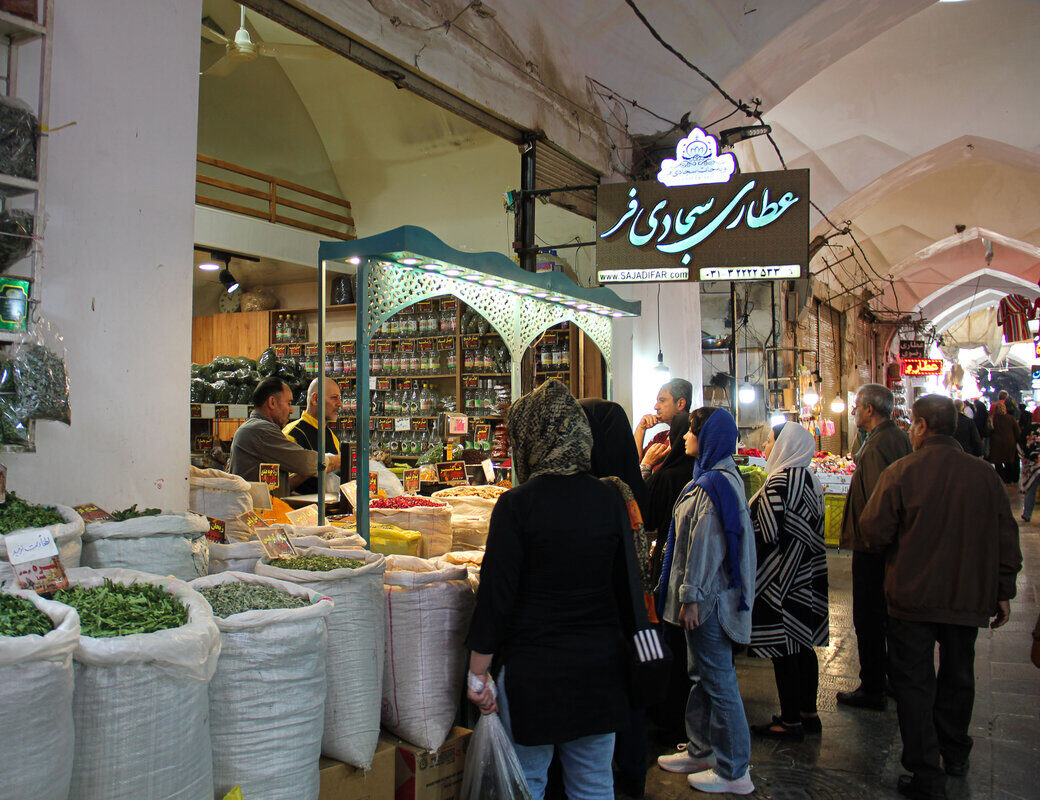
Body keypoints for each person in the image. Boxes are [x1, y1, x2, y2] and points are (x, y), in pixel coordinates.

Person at [465, 380, 647, 800]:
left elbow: (496, 598)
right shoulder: (611, 498)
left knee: (527, 782)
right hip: (602, 671)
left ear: (529, 436)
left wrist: (478, 673)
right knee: (595, 783)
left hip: (534, 674)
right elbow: (628, 590)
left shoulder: (516, 505)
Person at [860, 395, 1021, 800]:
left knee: (914, 683)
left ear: (921, 426)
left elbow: (873, 532)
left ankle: (925, 771)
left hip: (912, 596)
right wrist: (1003, 591)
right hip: (967, 597)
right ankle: (955, 752)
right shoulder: (984, 476)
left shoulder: (902, 472)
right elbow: (1007, 537)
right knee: (958, 675)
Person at [656, 407, 756, 796]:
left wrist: (691, 597)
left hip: (710, 601)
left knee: (719, 682)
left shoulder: (714, 484)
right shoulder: (713, 477)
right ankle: (702, 750)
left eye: (692, 432)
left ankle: (735, 770)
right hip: (708, 598)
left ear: (708, 437)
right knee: (702, 678)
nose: (684, 437)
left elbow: (705, 546)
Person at [581, 398, 653, 800]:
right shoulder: (630, 484)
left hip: (607, 616)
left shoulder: (601, 492)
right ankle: (632, 774)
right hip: (635, 614)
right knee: (631, 697)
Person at [747, 422, 828, 740]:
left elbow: (764, 534)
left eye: (769, 441)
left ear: (784, 446)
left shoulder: (779, 483)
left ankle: (790, 720)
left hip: (781, 579)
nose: (766, 447)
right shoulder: (809, 478)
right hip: (806, 575)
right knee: (803, 645)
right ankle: (809, 712)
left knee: (784, 649)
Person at [837, 383, 912, 710]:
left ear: (870, 409)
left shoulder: (883, 443)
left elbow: (880, 502)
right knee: (882, 617)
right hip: (882, 545)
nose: (853, 411)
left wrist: (872, 539)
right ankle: (890, 680)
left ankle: (873, 688)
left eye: (857, 406)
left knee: (869, 618)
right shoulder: (888, 438)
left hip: (874, 548)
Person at [228, 377, 341, 498]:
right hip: (259, 511)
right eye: (289, 403)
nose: (291, 410)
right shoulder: (260, 431)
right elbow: (306, 463)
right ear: (272, 402)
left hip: (267, 510)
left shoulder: (256, 428)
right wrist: (340, 460)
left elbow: (284, 480)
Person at [283, 377, 343, 494]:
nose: (339, 404)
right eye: (334, 398)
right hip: (300, 510)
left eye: (340, 398)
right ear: (315, 399)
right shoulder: (292, 435)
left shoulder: (331, 435)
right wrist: (316, 466)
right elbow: (282, 485)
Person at [634, 378, 693, 466]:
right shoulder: (660, 437)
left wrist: (647, 465)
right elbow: (632, 466)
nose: (656, 407)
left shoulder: (692, 440)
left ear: (680, 403)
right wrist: (641, 429)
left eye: (662, 401)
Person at [988, 401, 1020, 484]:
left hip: (996, 443)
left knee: (998, 462)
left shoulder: (992, 418)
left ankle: (1000, 478)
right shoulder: (1011, 418)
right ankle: (1008, 479)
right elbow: (1017, 431)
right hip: (1009, 443)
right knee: (1008, 461)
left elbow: (988, 431)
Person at [1019, 408, 1040, 522]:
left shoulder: (1027, 429)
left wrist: (1025, 457)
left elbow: (1020, 445)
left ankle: (1027, 514)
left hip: (1032, 466)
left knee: (1031, 489)